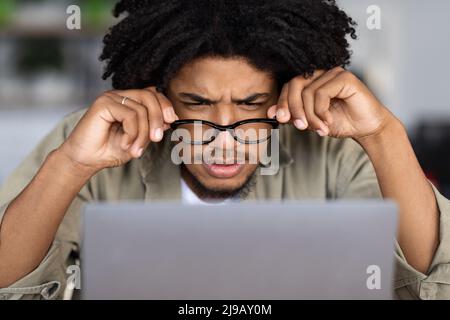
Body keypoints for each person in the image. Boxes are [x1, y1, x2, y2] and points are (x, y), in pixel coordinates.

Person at [0, 0, 449, 300]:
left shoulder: (336, 150)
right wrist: (73, 163)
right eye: (196, 103)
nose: (224, 135)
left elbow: (436, 286)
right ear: (157, 93)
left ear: (285, 93)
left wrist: (383, 133)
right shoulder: (90, 141)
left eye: (251, 103)